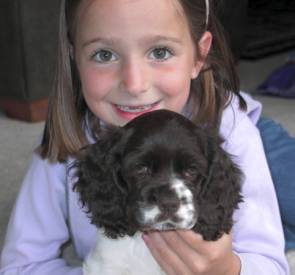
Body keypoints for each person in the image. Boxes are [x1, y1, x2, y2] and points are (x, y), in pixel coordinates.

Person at [0, 0, 290, 274]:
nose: (134, 84)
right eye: (104, 54)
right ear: (74, 57)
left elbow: (273, 267)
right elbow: (19, 267)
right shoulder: (67, 140)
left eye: (160, 52)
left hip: (252, 140)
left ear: (199, 55)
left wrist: (228, 269)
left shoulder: (233, 132)